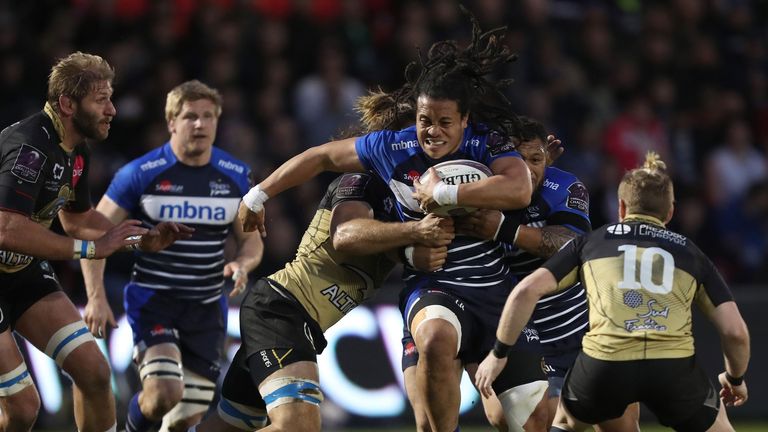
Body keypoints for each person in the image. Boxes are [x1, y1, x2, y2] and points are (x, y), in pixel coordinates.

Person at [238, 15, 543, 430]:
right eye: (423, 121)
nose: (430, 133)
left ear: (465, 119)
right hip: (325, 303)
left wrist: (446, 195)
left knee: (524, 420)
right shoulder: (378, 163)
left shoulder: (486, 143)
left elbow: (518, 189)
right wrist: (259, 194)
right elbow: (325, 168)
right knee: (426, 370)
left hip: (492, 289)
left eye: (443, 122)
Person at [475, 152, 751, 432]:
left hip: (605, 363)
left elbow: (525, 292)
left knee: (565, 422)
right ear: (669, 212)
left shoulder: (591, 243)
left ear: (621, 207)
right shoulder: (691, 253)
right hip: (671, 366)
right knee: (718, 425)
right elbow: (735, 332)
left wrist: (499, 354)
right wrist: (735, 378)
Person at [0, 52, 190, 432]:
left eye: (111, 98)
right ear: (68, 104)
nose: (113, 110)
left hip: (18, 270)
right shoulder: (30, 149)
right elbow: (7, 228)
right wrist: (89, 250)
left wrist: (142, 238)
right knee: (22, 409)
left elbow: (77, 219)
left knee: (95, 372)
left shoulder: (75, 151)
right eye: (101, 99)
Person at [190, 171, 454, 432]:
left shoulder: (400, 214)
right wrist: (416, 232)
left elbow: (417, 253)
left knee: (234, 424)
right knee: (298, 427)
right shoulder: (360, 185)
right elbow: (343, 235)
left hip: (292, 320)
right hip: (283, 308)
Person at [80, 80, 263, 432]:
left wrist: (244, 263)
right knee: (163, 394)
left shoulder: (237, 177)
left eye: (209, 116)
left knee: (182, 421)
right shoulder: (139, 174)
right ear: (171, 123)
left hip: (207, 308)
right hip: (155, 301)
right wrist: (95, 297)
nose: (200, 124)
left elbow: (251, 241)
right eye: (191, 116)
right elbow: (94, 234)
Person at [455, 117, 638, 432]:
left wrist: (503, 229)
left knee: (621, 424)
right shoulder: (475, 193)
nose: (527, 169)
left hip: (579, 330)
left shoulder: (565, 186)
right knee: (514, 420)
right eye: (517, 159)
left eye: (536, 159)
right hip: (516, 335)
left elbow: (572, 243)